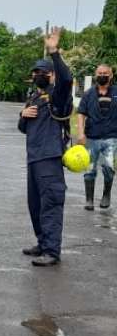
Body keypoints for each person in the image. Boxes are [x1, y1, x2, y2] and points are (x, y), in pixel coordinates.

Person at [18, 27, 73, 267]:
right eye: (35, 72)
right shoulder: (33, 97)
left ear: (51, 75)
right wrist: (23, 114)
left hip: (50, 158)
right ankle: (42, 242)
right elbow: (23, 128)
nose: (37, 75)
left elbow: (67, 79)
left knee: (50, 204)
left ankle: (52, 250)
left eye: (41, 72)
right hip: (33, 158)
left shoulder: (58, 95)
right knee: (35, 205)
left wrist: (54, 52)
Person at [77, 64, 117, 210]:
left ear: (111, 75)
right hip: (91, 137)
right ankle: (89, 200)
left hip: (111, 137)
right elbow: (81, 114)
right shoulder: (88, 94)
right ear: (95, 75)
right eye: (99, 73)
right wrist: (80, 133)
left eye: (105, 73)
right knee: (89, 169)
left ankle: (106, 195)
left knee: (108, 168)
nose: (102, 75)